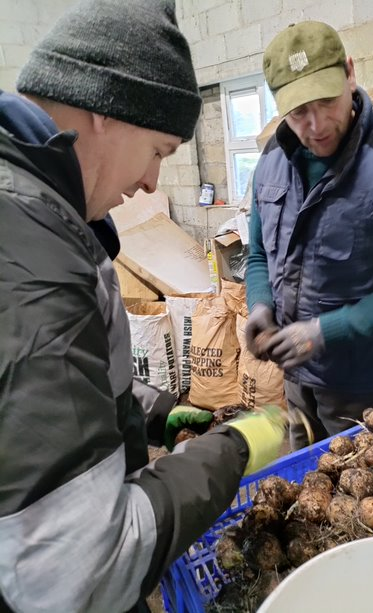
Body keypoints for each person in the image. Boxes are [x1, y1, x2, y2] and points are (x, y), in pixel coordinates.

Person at [0, 1, 285, 612]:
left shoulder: (42, 214)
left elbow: (59, 393)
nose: (155, 183)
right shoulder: (31, 259)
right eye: (159, 150)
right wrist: (229, 452)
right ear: (104, 108)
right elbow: (79, 573)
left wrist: (150, 411)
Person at [245, 20, 373, 450]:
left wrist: (324, 332)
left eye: (326, 102)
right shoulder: (271, 161)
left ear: (350, 74)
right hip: (296, 381)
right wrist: (259, 305)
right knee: (302, 482)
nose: (316, 125)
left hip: (363, 389)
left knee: (354, 499)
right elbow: (259, 253)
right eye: (298, 111)